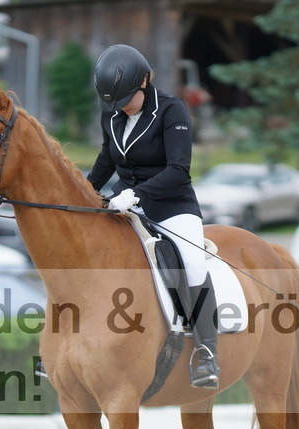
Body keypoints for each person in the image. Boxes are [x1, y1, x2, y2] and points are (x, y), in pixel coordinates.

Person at [86, 44, 219, 389]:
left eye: (127, 99)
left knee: (192, 262)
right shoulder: (113, 113)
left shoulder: (172, 110)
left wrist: (136, 195)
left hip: (171, 205)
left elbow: (179, 169)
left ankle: (206, 351)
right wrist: (84, 192)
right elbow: (107, 158)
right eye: (114, 104)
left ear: (144, 81)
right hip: (124, 205)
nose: (121, 108)